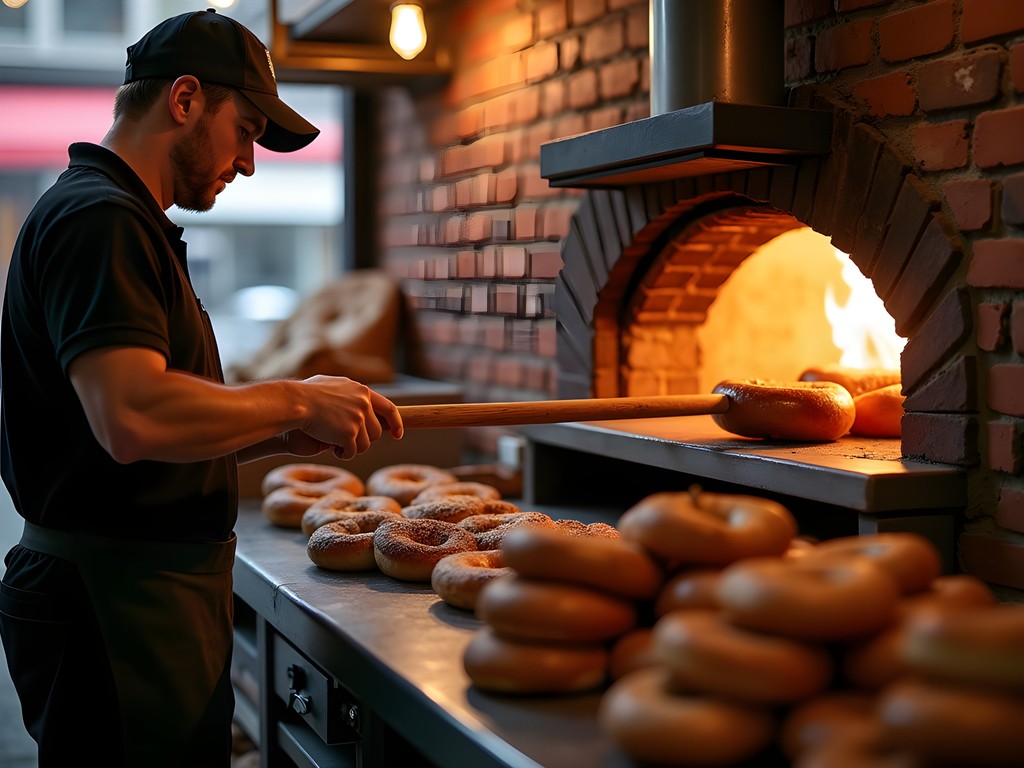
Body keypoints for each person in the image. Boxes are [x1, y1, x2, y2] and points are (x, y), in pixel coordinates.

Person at [0, 9, 403, 767]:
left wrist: (275, 436)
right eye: (245, 129)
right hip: (114, 608)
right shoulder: (100, 219)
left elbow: (127, 436)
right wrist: (294, 398)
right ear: (184, 99)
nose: (248, 162)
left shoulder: (127, 221)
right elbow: (130, 416)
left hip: (139, 597)